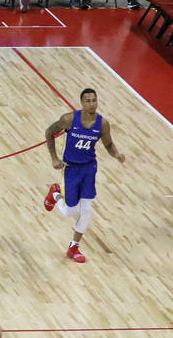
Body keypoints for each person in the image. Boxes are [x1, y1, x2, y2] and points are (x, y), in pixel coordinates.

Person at [43, 88, 124, 264]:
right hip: (70, 168)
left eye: (94, 100)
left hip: (89, 168)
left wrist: (116, 154)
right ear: (81, 103)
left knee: (86, 210)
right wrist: (54, 158)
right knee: (69, 211)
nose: (92, 103)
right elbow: (49, 132)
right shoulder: (69, 119)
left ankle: (74, 247)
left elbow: (109, 144)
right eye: (88, 100)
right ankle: (56, 193)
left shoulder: (103, 124)